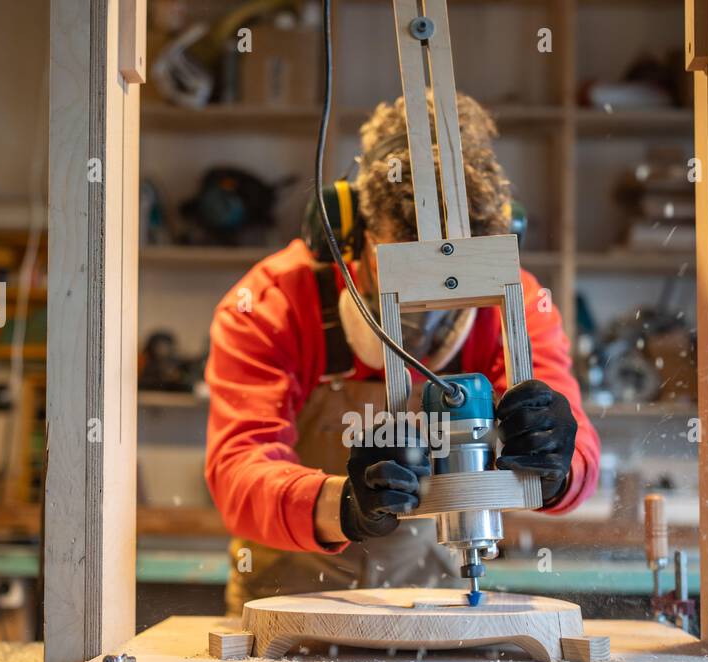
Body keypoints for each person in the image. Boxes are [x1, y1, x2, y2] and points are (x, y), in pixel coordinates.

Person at [205, 94, 600, 612]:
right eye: (406, 272)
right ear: (349, 232)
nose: (431, 304)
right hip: (290, 600)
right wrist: (343, 505)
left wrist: (556, 462)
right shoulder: (273, 302)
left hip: (436, 599)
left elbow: (577, 455)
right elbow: (239, 468)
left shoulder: (512, 302)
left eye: (454, 279)